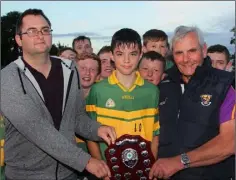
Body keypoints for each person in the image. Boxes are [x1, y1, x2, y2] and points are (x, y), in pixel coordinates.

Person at [1, 9, 117, 180]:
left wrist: (96, 129)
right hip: (26, 176)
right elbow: (37, 129)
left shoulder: (70, 70)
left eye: (45, 30)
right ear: (19, 39)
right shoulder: (7, 78)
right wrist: (85, 161)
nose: (40, 35)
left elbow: (76, 117)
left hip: (68, 174)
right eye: (32, 31)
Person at [149, 25, 235, 180]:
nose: (186, 59)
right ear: (172, 55)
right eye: (179, 53)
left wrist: (178, 162)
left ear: (203, 50)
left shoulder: (225, 85)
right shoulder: (163, 84)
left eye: (192, 51)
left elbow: (229, 143)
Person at [87, 28, 160, 162]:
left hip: (142, 170)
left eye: (132, 54)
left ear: (140, 55)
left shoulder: (152, 91)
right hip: (109, 169)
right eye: (120, 54)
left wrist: (151, 167)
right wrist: (101, 170)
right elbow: (89, 134)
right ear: (112, 56)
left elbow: (156, 135)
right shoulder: (97, 90)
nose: (126, 60)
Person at [75, 53, 101, 180]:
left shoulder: (102, 100)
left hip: (97, 163)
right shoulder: (64, 98)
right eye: (83, 68)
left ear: (98, 76)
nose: (87, 73)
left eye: (92, 70)